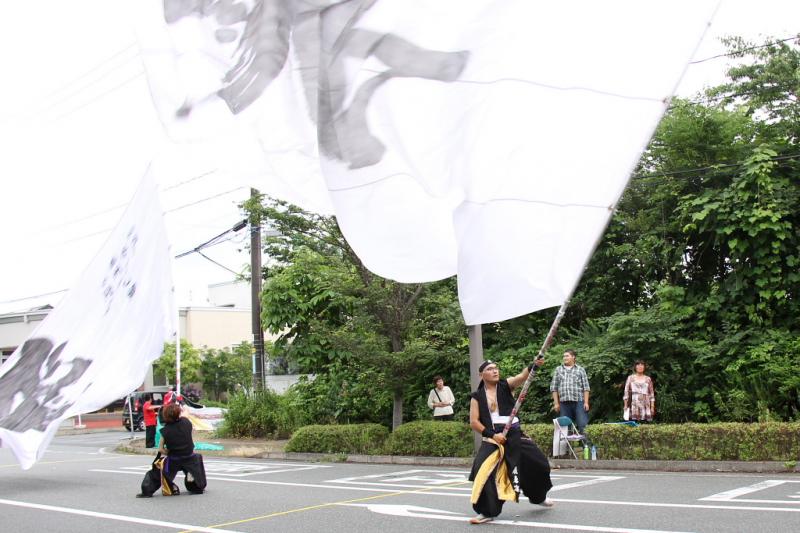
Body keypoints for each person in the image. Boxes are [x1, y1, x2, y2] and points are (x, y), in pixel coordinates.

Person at [468, 359, 553, 524]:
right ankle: (487, 511)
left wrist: (532, 366)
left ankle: (538, 497)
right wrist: (493, 435)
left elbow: (522, 377)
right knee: (482, 472)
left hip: (514, 434)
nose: (495, 371)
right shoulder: (477, 397)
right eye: (490, 369)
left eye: (496, 368)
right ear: (481, 374)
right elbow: (474, 422)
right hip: (493, 438)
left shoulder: (506, 385)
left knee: (538, 463)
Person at [136, 403, 206, 497]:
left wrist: (168, 452)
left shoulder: (165, 430)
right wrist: (184, 405)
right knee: (197, 458)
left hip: (174, 459)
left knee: (157, 468)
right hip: (190, 457)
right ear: (178, 413)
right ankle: (195, 483)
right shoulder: (186, 422)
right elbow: (186, 411)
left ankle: (147, 490)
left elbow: (160, 449)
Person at [550, 349, 590, 435]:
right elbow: (554, 388)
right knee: (565, 427)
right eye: (564, 356)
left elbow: (586, 387)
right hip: (564, 403)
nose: (564, 358)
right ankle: (567, 448)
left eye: (567, 356)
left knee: (583, 424)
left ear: (573, 357)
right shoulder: (558, 370)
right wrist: (556, 403)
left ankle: (587, 447)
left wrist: (586, 402)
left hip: (579, 401)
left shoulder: (580, 370)